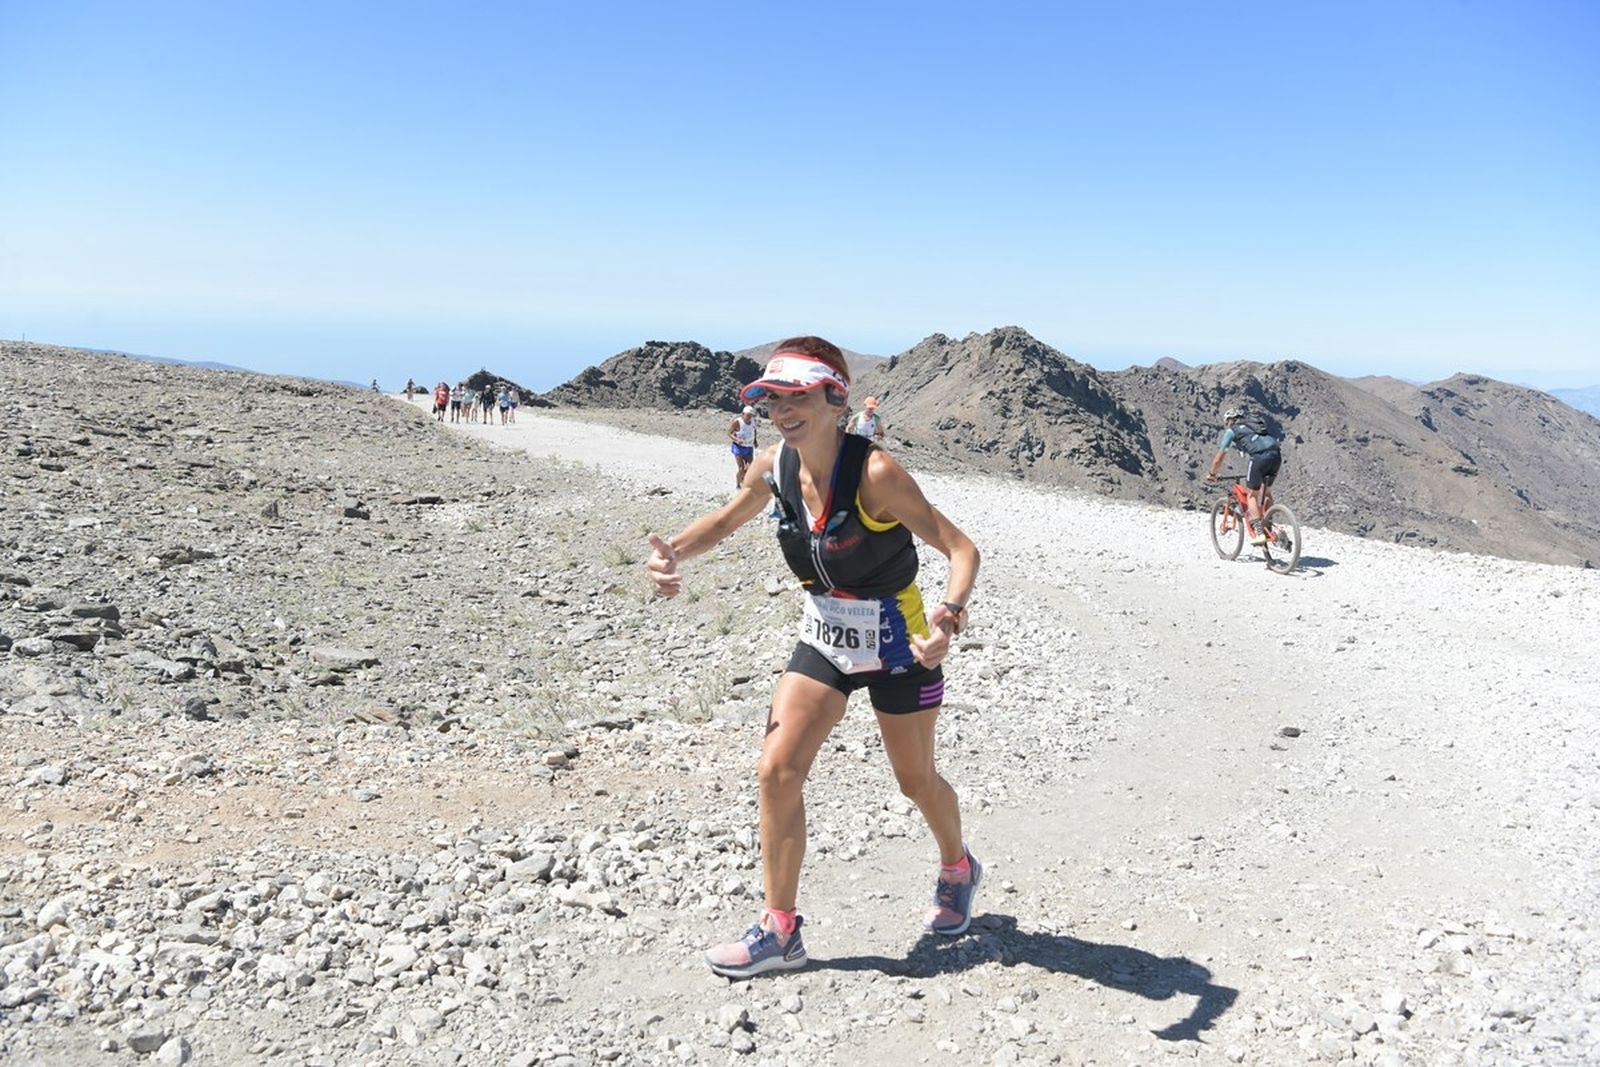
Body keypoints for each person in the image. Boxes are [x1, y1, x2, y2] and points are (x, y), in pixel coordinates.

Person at [645, 336, 982, 979]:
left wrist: (949, 616)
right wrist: (674, 553)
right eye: (772, 399)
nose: (782, 411)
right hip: (826, 636)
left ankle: (957, 866)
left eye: (796, 397)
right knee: (776, 770)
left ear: (835, 399)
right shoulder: (773, 465)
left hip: (900, 644)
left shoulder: (876, 473)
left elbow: (960, 549)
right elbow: (726, 519)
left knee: (915, 782)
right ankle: (780, 930)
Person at [1207, 407, 1282, 545]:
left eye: (1227, 422)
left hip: (1259, 457)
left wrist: (1212, 474)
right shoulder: (1254, 424)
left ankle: (1259, 533)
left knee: (1252, 495)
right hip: (1276, 454)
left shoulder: (1232, 431)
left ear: (1231, 420)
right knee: (1266, 493)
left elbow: (1220, 457)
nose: (1227, 425)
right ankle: (1268, 525)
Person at [727, 405, 759, 488]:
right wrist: (737, 440)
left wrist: (755, 441)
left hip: (749, 447)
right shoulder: (737, 422)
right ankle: (738, 484)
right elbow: (729, 433)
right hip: (739, 448)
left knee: (750, 467)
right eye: (748, 415)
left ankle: (744, 480)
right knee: (741, 468)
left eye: (751, 415)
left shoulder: (753, 421)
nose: (749, 417)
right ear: (743, 414)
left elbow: (754, 430)